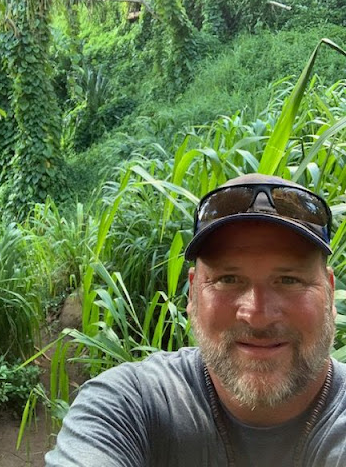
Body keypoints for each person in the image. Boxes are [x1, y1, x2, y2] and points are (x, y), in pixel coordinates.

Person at [45, 173, 346, 467]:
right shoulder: (128, 406)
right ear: (192, 295)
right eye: (228, 279)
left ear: (330, 294)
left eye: (289, 280)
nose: (257, 316)